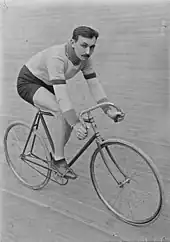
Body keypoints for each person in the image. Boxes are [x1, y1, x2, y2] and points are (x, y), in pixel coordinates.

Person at [17, 25, 122, 179]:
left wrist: (109, 110)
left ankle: (55, 154)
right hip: (29, 82)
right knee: (63, 112)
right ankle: (58, 161)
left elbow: (94, 85)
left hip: (49, 82)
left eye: (92, 47)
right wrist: (76, 123)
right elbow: (62, 96)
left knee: (69, 117)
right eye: (84, 46)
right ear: (72, 42)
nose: (88, 52)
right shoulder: (57, 58)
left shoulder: (85, 59)